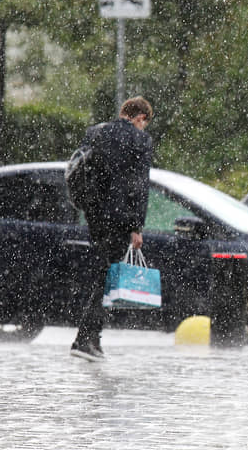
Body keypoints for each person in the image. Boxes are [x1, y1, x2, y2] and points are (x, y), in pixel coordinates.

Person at [70, 97, 154, 362]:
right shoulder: (140, 141)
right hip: (120, 219)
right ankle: (85, 340)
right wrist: (136, 227)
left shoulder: (95, 133)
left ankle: (92, 339)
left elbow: (79, 171)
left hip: (95, 217)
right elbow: (138, 187)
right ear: (140, 117)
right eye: (145, 123)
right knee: (106, 278)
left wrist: (86, 206)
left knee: (103, 274)